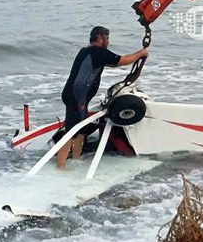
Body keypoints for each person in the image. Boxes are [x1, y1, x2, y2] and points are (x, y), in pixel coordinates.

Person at [57, 26, 148, 169]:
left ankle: (76, 159)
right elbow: (122, 60)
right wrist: (141, 53)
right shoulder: (98, 52)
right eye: (107, 38)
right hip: (76, 97)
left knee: (81, 130)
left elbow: (112, 62)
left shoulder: (87, 51)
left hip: (75, 96)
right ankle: (60, 167)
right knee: (71, 132)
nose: (108, 42)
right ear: (100, 38)